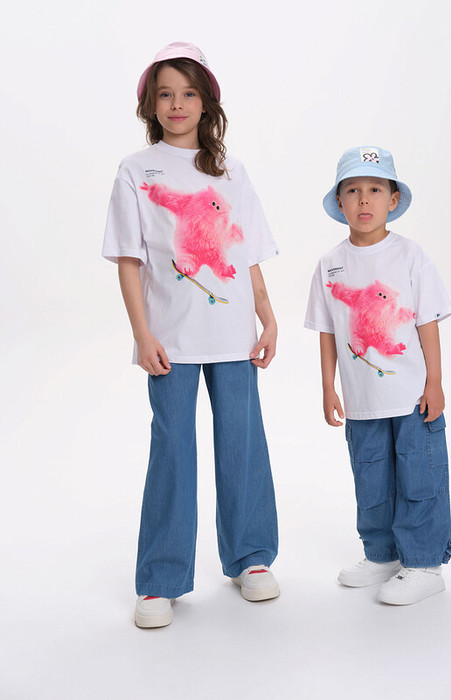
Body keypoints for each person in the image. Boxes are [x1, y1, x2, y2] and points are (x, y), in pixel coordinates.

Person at [102, 42, 280, 628]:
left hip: (233, 335)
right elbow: (129, 260)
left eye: (188, 93)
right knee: (172, 450)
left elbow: (248, 253)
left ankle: (251, 557)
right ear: (151, 104)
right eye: (165, 94)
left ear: (207, 103)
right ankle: (160, 579)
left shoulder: (231, 171)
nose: (176, 104)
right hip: (170, 341)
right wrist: (142, 334)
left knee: (242, 444)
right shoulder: (136, 169)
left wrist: (267, 317)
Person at [305, 146, 451, 605]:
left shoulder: (409, 255)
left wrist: (435, 382)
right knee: (370, 479)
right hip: (362, 400)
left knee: (419, 477)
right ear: (340, 202)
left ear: (393, 200)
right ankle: (382, 554)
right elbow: (327, 330)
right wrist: (328, 386)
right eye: (353, 190)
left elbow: (427, 321)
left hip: (411, 397)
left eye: (374, 189)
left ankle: (425, 564)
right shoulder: (330, 264)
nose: (364, 199)